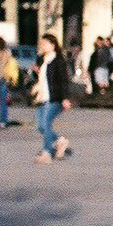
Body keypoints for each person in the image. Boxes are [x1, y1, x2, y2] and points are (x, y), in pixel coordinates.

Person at [31, 33, 73, 163]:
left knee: (46, 123)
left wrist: (65, 98)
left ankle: (47, 153)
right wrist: (35, 71)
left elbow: (64, 80)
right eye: (41, 43)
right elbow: (38, 79)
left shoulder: (58, 60)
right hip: (41, 97)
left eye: (45, 43)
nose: (42, 46)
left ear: (53, 45)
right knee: (40, 126)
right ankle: (60, 141)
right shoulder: (41, 59)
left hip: (54, 98)